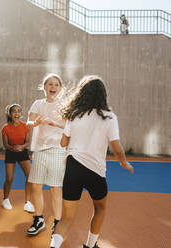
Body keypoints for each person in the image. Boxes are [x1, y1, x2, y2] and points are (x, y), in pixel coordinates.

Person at [50, 75, 134, 248]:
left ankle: (53, 246)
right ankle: (90, 245)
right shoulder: (110, 117)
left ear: (81, 94)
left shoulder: (74, 115)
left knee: (66, 218)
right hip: (95, 171)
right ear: (103, 95)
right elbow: (117, 148)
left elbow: (63, 143)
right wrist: (124, 163)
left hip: (73, 168)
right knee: (100, 208)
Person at [26, 73, 66, 236]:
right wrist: (35, 123)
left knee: (56, 188)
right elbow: (28, 124)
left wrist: (52, 123)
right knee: (36, 186)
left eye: (56, 84)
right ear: (44, 87)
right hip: (40, 150)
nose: (53, 87)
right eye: (50, 84)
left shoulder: (64, 105)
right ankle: (39, 219)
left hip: (57, 149)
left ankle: (57, 223)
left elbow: (69, 127)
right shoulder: (38, 104)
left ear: (60, 88)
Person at [1, 103, 34, 212]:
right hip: (10, 152)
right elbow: (5, 144)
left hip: (22, 152)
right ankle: (5, 199)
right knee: (9, 178)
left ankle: (27, 202)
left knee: (30, 177)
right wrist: (12, 148)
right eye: (14, 111)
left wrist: (21, 147)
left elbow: (28, 142)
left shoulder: (25, 126)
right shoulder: (5, 128)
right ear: (10, 114)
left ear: (21, 114)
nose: (17, 113)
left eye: (19, 111)